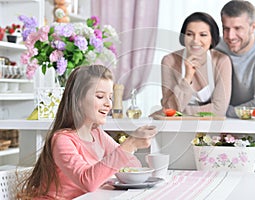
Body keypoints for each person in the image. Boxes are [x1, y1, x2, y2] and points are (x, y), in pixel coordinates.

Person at [19, 65, 157, 199]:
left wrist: (128, 149)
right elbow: (88, 182)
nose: (109, 103)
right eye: (100, 96)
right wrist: (130, 144)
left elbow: (133, 166)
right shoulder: (62, 140)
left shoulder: (97, 134)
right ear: (78, 99)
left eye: (110, 96)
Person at [160, 12, 232, 117]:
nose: (195, 40)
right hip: (176, 128)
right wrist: (187, 77)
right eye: (189, 34)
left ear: (212, 38)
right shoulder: (169, 61)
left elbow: (219, 110)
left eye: (203, 35)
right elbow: (169, 108)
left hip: (211, 128)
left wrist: (182, 111)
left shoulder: (222, 61)